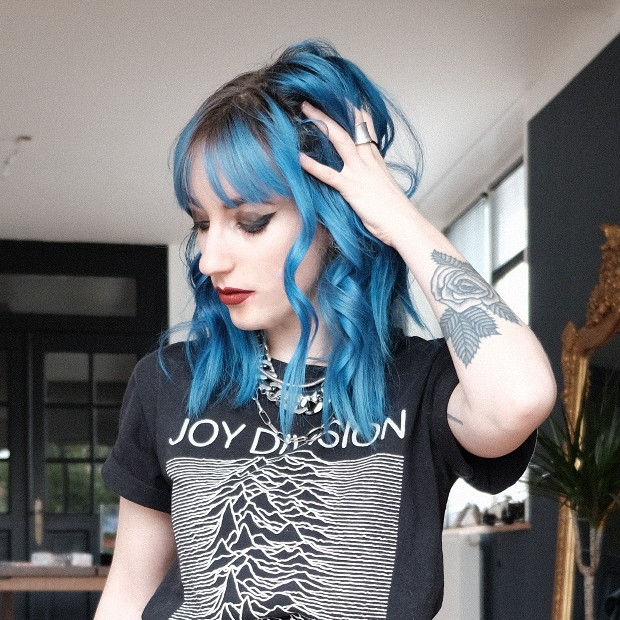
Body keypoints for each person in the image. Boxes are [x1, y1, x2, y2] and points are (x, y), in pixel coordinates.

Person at [95, 39, 556, 620]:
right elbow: (129, 590)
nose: (210, 260)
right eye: (203, 224)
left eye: (251, 221)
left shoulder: (421, 385)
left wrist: (396, 215)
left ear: (334, 220)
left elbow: (519, 397)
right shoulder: (169, 382)